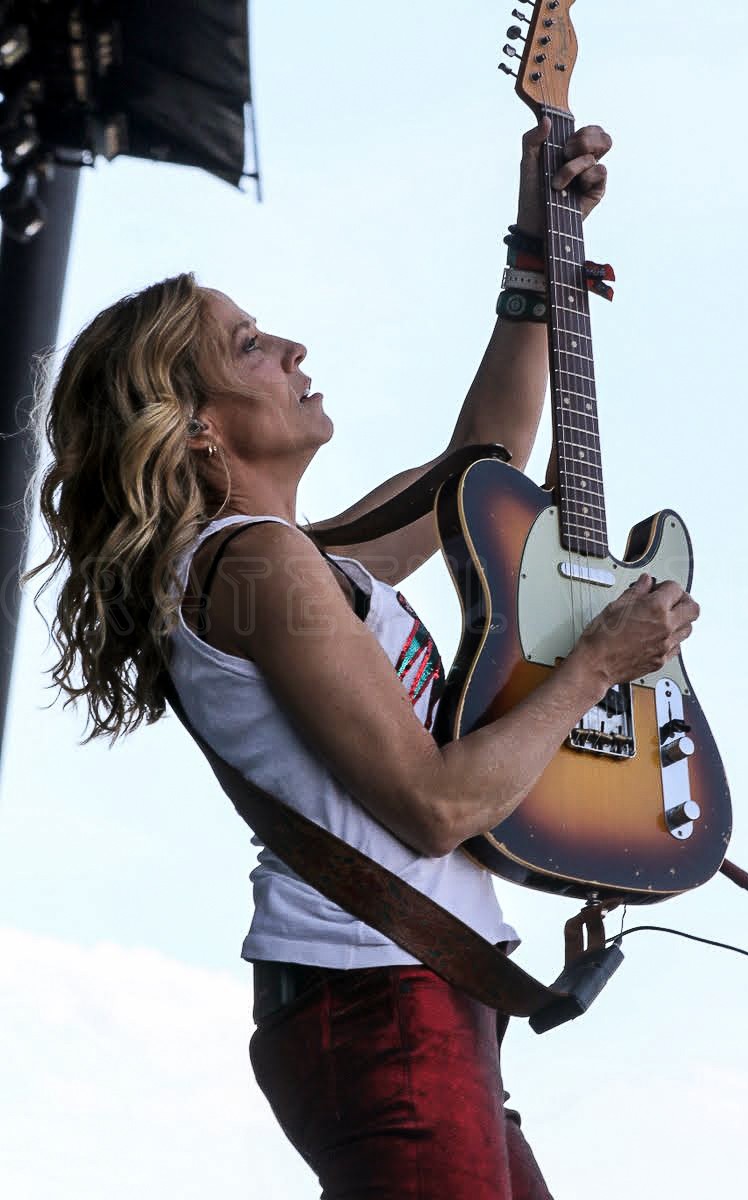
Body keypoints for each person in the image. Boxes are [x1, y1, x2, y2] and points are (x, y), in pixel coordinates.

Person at [27, 118, 699, 1199]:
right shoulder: (254, 567)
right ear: (195, 428)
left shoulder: (301, 564)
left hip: (408, 998)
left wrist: (534, 256)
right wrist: (596, 664)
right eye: (248, 345)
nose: (289, 348)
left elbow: (484, 463)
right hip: (379, 1005)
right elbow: (435, 807)